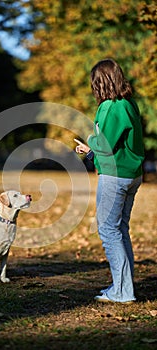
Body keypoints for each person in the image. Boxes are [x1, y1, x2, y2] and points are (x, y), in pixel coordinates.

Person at [75, 58, 145, 303]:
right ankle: (124, 286)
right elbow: (120, 145)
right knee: (120, 229)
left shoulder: (110, 107)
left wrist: (90, 142)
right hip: (132, 175)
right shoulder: (129, 104)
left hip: (115, 178)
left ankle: (123, 292)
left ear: (99, 83)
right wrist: (91, 150)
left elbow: (104, 143)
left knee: (108, 230)